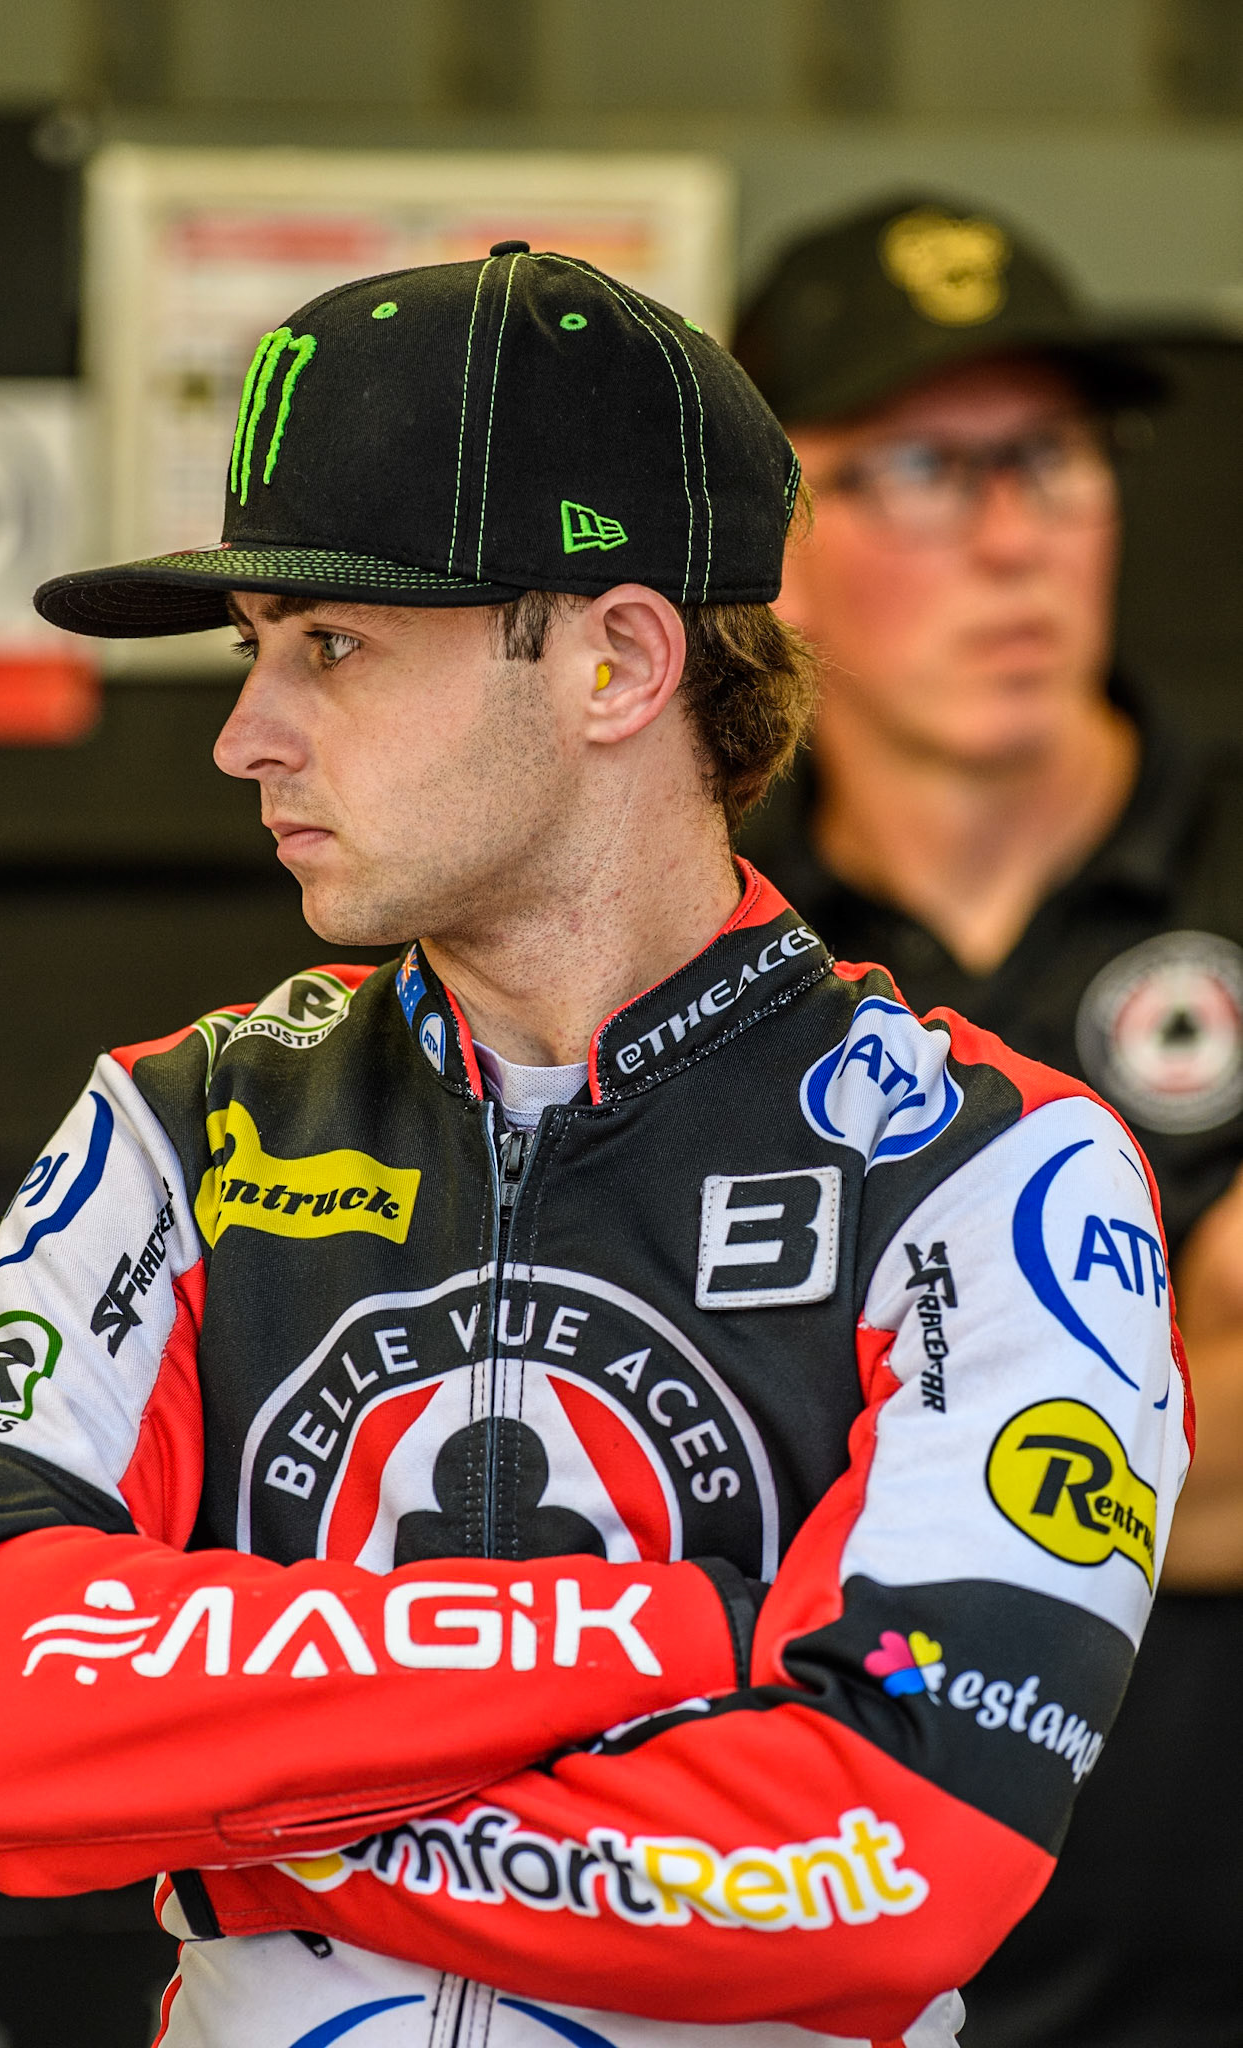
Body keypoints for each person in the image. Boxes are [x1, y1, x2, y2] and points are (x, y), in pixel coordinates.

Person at [0, 243, 1187, 2048]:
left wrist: (246, 1834)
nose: (245, 738)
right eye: (256, 653)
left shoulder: (992, 1168)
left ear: (615, 662)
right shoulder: (175, 1126)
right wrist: (694, 1639)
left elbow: (897, 1851)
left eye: (331, 646)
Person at [734, 193, 1243, 2046]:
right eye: (926, 470)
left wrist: (861, 1415)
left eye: (1049, 458)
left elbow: (747, 1470)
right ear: (765, 542)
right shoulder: (682, 944)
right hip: (810, 1982)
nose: (1014, 538)